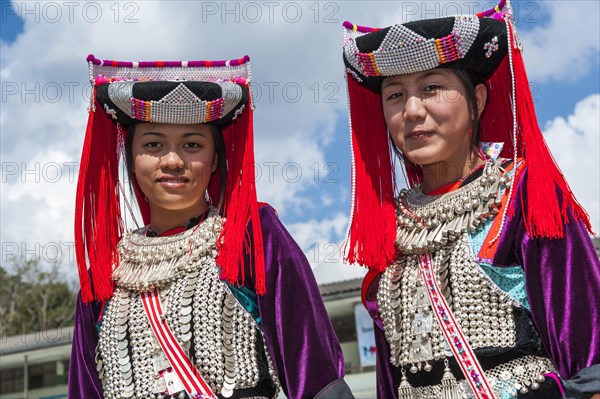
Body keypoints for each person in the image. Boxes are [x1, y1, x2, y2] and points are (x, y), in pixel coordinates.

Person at [340, 1, 600, 398]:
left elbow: (590, 356)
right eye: (394, 96)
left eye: (431, 88)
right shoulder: (391, 226)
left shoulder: (522, 194)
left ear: (477, 98)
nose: (412, 110)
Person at [69, 54, 354, 399]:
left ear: (216, 157)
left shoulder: (252, 237)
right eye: (153, 144)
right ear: (130, 157)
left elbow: (316, 377)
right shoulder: (105, 275)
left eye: (192, 145)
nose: (172, 161)